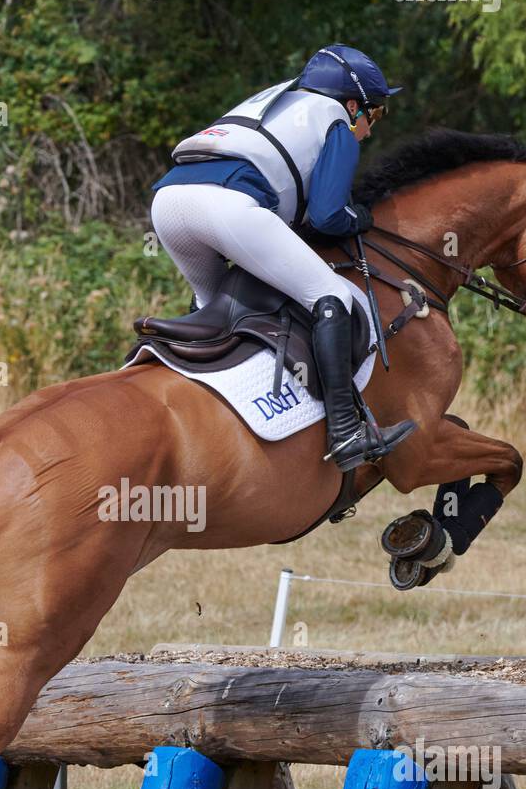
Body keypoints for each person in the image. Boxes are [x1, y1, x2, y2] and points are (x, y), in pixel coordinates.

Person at [150, 45, 414, 471]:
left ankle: (197, 413)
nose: (371, 129)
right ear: (353, 106)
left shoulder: (277, 100)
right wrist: (360, 218)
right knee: (331, 296)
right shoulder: (338, 124)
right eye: (375, 115)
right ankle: (346, 431)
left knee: (214, 314)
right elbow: (329, 216)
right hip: (226, 206)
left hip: (167, 204)